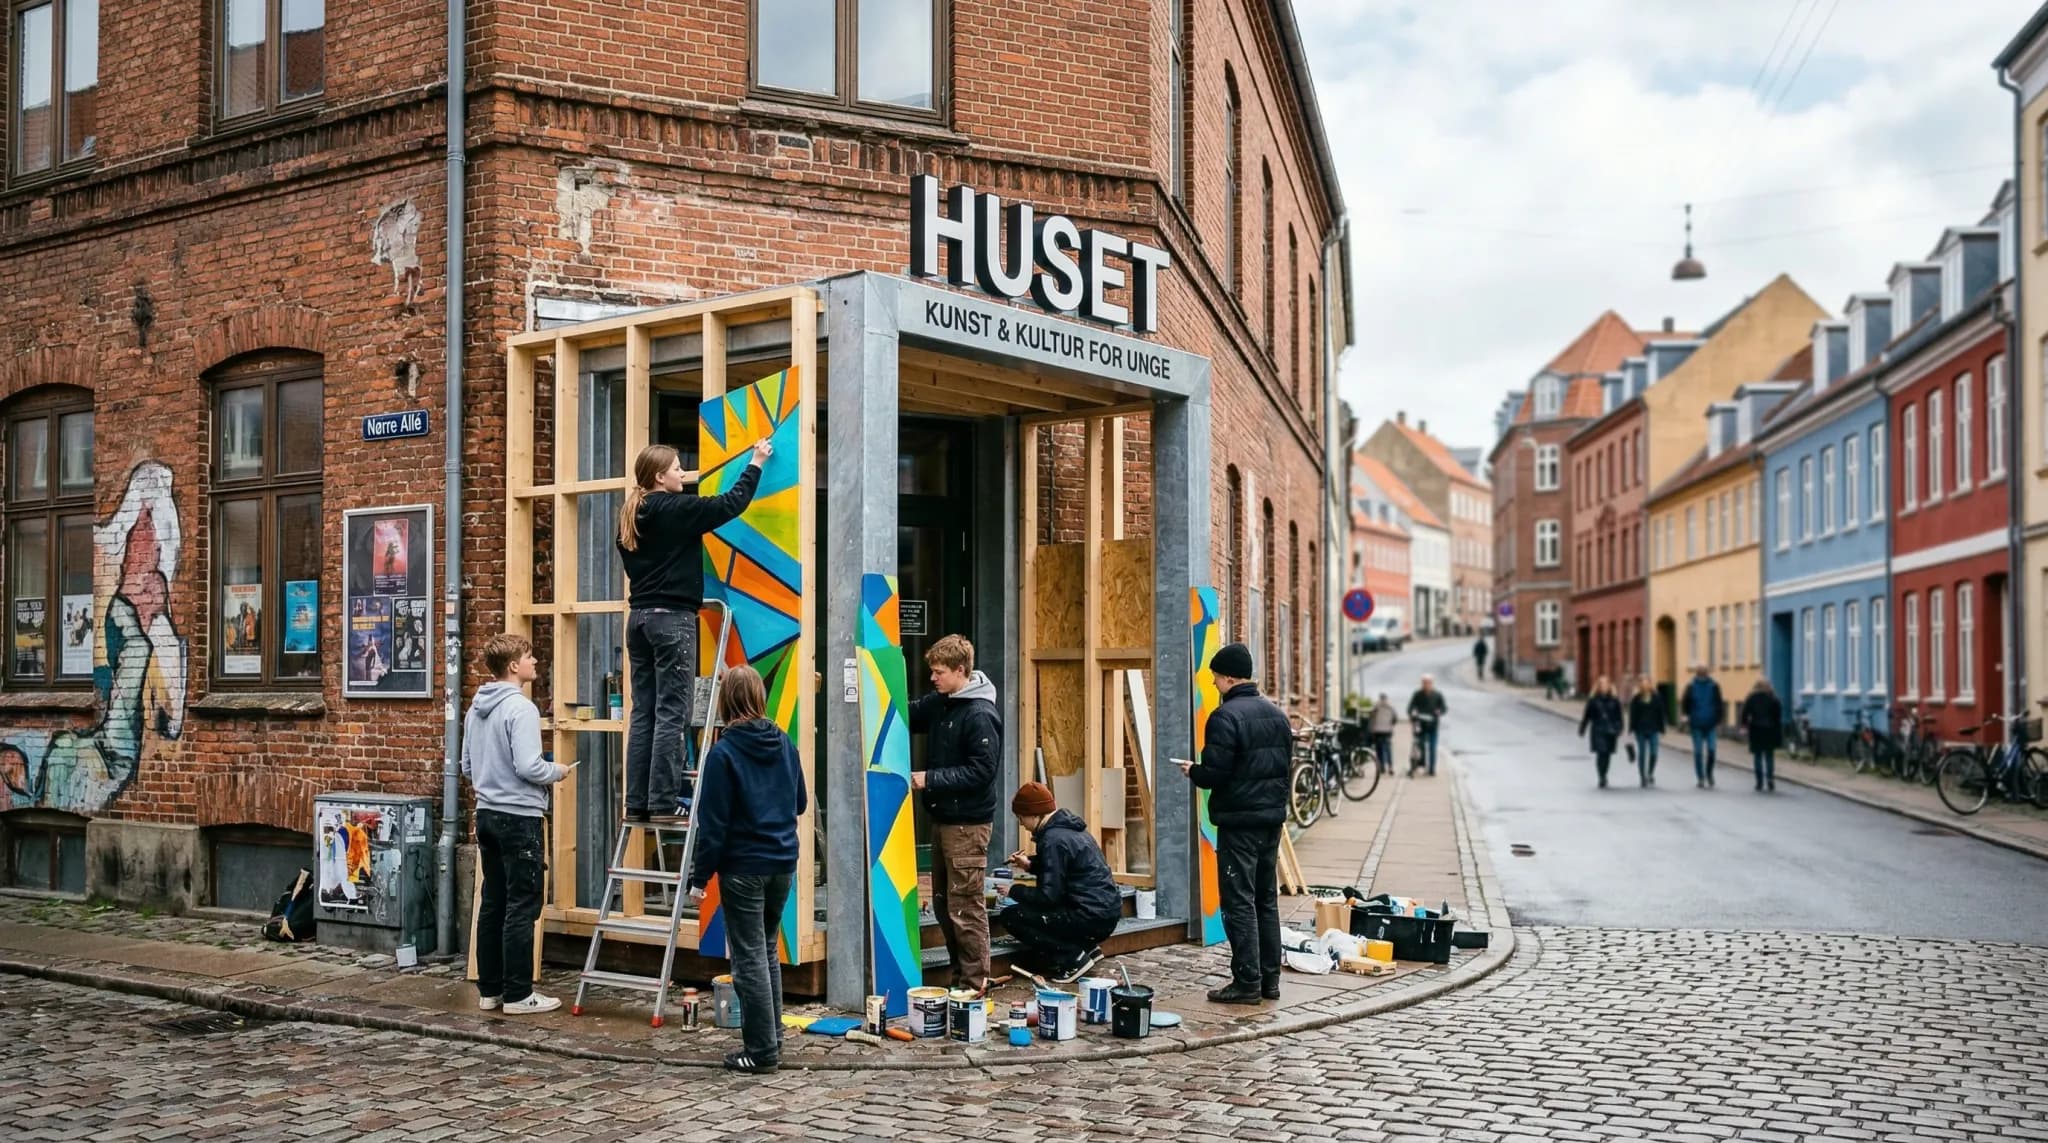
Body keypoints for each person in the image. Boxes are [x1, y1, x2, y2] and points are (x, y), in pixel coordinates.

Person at [616, 438, 771, 824]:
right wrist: (756, 463)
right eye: (676, 468)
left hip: (639, 619)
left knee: (645, 713)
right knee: (673, 713)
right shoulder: (674, 508)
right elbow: (728, 504)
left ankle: (639, 802)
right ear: (659, 476)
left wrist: (714, 468)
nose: (682, 473)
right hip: (672, 618)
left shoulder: (632, 513)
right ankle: (665, 802)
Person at [686, 665, 806, 1074]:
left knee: (749, 957)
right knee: (767, 950)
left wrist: (699, 878)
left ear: (726, 702)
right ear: (760, 697)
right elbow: (801, 802)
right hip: (782, 860)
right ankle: (772, 1041)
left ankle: (761, 1051)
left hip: (743, 867)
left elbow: (713, 825)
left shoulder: (723, 753)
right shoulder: (785, 742)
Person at [460, 632, 570, 1015]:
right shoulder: (521, 709)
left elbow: (466, 767)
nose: (535, 660)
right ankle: (520, 994)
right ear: (512, 666)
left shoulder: (476, 709)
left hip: (487, 814)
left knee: (493, 902)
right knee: (523, 905)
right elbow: (528, 766)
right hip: (519, 818)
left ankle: (491, 991)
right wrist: (557, 771)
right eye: (528, 656)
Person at [1177, 642, 1291, 1005]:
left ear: (1228, 677)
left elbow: (1215, 774)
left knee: (1238, 901)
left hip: (1239, 823)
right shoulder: (1277, 715)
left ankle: (1247, 983)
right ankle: (1270, 981)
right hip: (1270, 821)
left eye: (1215, 679)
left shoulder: (1224, 717)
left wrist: (1193, 771)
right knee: (1265, 900)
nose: (1213, 685)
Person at [907, 634, 1002, 992]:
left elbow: (982, 772)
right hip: (945, 819)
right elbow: (910, 711)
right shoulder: (944, 702)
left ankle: (975, 983)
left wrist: (929, 779)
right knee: (946, 906)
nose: (932, 678)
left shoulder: (979, 715)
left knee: (965, 907)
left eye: (939, 672)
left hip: (967, 825)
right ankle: (961, 978)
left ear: (960, 671)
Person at [998, 781, 1121, 984]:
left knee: (1012, 916)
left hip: (1089, 917)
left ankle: (1071, 958)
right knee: (1055, 910)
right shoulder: (1071, 831)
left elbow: (1048, 897)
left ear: (1034, 814)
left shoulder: (1052, 840)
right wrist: (1029, 864)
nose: (1021, 824)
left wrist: (1014, 891)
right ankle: (1088, 948)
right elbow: (1063, 870)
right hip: (1105, 911)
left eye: (1021, 817)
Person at [1681, 664, 1727, 789]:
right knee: (1698, 752)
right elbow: (1685, 702)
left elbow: (1719, 704)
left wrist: (1719, 720)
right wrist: (1685, 715)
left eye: (1704, 671)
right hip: (1696, 724)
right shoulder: (1691, 686)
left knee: (1712, 750)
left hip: (1711, 723)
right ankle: (1701, 777)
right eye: (1701, 672)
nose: (1702, 673)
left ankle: (1709, 773)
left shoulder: (1714, 686)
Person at [1578, 676, 1624, 789]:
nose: (1604, 687)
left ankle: (1604, 773)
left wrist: (1620, 728)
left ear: (1609, 686)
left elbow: (1619, 717)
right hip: (1598, 730)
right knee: (1601, 753)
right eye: (1601, 684)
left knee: (1607, 755)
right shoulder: (1593, 700)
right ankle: (1601, 776)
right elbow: (1587, 716)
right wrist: (1582, 728)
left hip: (1611, 731)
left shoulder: (1615, 700)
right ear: (1598, 687)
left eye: (1606, 684)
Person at [1740, 679, 1784, 793]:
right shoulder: (1774, 698)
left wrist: (1744, 725)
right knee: (1769, 756)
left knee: (1757, 756)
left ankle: (1759, 781)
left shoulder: (1752, 698)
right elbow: (1778, 716)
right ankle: (1769, 778)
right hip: (1770, 729)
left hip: (1756, 729)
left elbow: (1745, 712)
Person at [1627, 677, 1666, 788]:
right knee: (1642, 753)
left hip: (1653, 729)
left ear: (1650, 685)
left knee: (1654, 753)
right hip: (1640, 729)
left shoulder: (1657, 698)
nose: (1644, 686)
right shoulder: (1636, 699)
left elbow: (1661, 714)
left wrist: (1662, 729)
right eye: (1642, 684)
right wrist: (1630, 729)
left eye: (1646, 683)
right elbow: (1632, 715)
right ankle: (1642, 776)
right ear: (1640, 686)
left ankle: (1650, 772)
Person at [1407, 674, 1448, 776]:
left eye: (1428, 683)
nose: (1426, 685)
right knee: (1421, 746)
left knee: (1432, 748)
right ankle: (1423, 764)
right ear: (1422, 683)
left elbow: (1444, 708)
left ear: (1432, 683)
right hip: (1420, 725)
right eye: (1424, 683)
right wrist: (1412, 713)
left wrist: (1439, 712)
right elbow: (1410, 707)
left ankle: (1432, 769)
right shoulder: (1417, 694)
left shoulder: (1437, 695)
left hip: (1433, 725)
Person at [1367, 692, 1398, 775]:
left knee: (1379, 749)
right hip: (1387, 731)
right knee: (1388, 749)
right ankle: (1390, 766)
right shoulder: (1391, 707)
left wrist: (1371, 730)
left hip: (1378, 731)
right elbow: (1395, 719)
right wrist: (1390, 725)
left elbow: (1371, 717)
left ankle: (1381, 767)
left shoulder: (1376, 706)